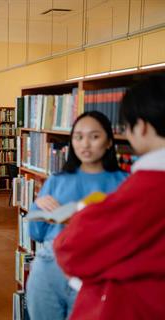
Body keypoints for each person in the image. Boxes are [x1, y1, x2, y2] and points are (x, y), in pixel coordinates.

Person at [54, 75, 165, 319]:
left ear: (141, 127)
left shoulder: (140, 189)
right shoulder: (59, 179)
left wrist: (83, 212)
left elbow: (73, 249)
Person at [26, 111, 128, 320]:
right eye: (78, 137)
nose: (85, 144)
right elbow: (35, 234)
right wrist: (37, 206)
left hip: (97, 274)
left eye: (94, 136)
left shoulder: (125, 182)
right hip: (49, 268)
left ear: (109, 142)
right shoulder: (56, 179)